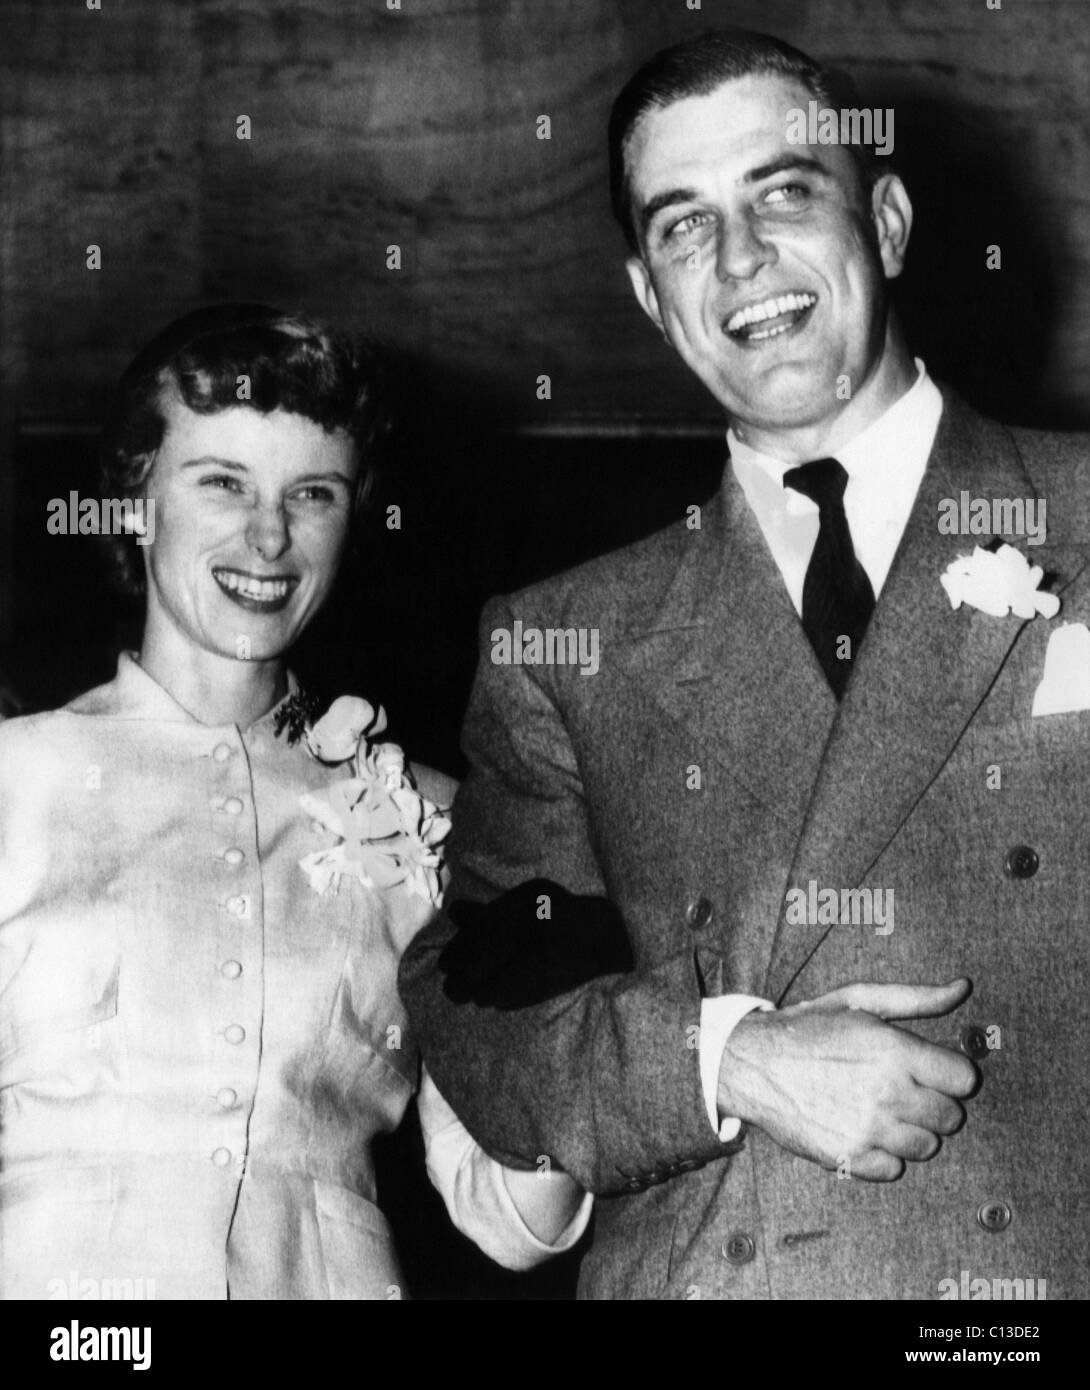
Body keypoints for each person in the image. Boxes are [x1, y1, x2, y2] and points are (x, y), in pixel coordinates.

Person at [400, 29, 1090, 1299]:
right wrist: (728, 1061)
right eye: (682, 226)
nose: (739, 261)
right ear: (650, 296)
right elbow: (480, 1004)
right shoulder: (568, 642)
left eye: (781, 193)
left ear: (883, 221)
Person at [0, 303, 589, 1300]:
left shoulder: (430, 816)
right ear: (136, 502)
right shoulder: (19, 775)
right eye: (222, 482)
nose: (268, 536)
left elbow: (507, 1213)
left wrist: (571, 1009)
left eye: (311, 493)